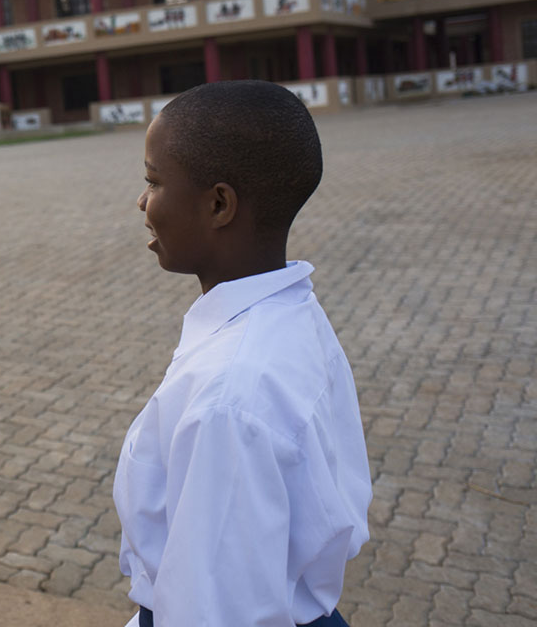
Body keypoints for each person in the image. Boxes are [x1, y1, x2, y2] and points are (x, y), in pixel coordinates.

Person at [113, 80, 372, 626]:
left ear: (218, 204)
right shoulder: (292, 313)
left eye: (153, 181)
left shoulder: (229, 400)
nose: (142, 201)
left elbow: (215, 611)